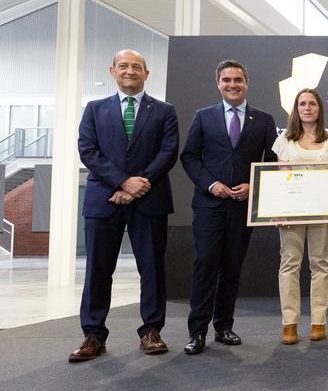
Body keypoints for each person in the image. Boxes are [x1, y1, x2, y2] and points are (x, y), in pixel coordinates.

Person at [69, 49, 178, 362]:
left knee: (153, 269)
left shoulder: (164, 111)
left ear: (147, 73)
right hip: (104, 200)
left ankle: (151, 332)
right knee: (98, 270)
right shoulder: (94, 109)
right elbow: (88, 151)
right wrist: (122, 182)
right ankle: (93, 335)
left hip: (149, 199)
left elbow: (168, 152)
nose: (130, 71)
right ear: (112, 71)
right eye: (123, 66)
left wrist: (137, 185)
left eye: (136, 67)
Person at [180, 60, 277, 355]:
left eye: (238, 80)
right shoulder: (203, 116)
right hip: (210, 205)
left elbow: (274, 161)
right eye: (226, 80)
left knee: (232, 267)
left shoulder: (263, 120)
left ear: (246, 83)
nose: (232, 84)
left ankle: (223, 327)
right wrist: (211, 185)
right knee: (206, 265)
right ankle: (197, 331)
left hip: (242, 206)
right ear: (218, 84)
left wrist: (253, 185)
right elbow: (190, 157)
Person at [272, 88, 328, 345]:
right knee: (290, 264)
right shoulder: (284, 140)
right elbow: (282, 178)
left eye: (312, 104)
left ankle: (318, 322)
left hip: (323, 208)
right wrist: (278, 210)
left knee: (321, 264)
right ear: (296, 109)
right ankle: (289, 324)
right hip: (292, 209)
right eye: (302, 103)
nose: (307, 108)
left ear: (319, 109)